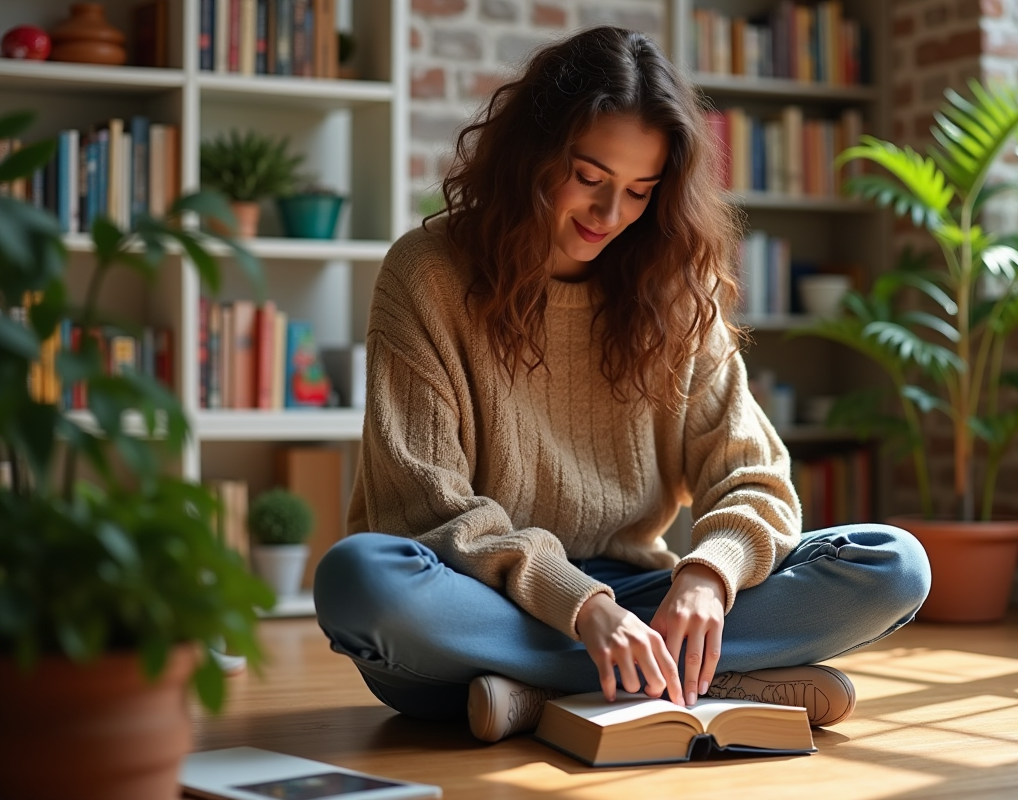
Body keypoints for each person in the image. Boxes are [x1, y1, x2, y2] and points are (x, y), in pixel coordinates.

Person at [313, 25, 931, 744]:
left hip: (636, 596)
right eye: (589, 178)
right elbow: (425, 504)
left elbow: (754, 477)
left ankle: (531, 696)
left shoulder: (674, 287)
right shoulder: (427, 274)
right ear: (530, 156)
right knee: (360, 579)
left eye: (640, 191)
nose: (611, 217)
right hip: (479, 594)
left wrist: (707, 576)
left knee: (893, 565)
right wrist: (583, 610)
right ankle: (704, 682)